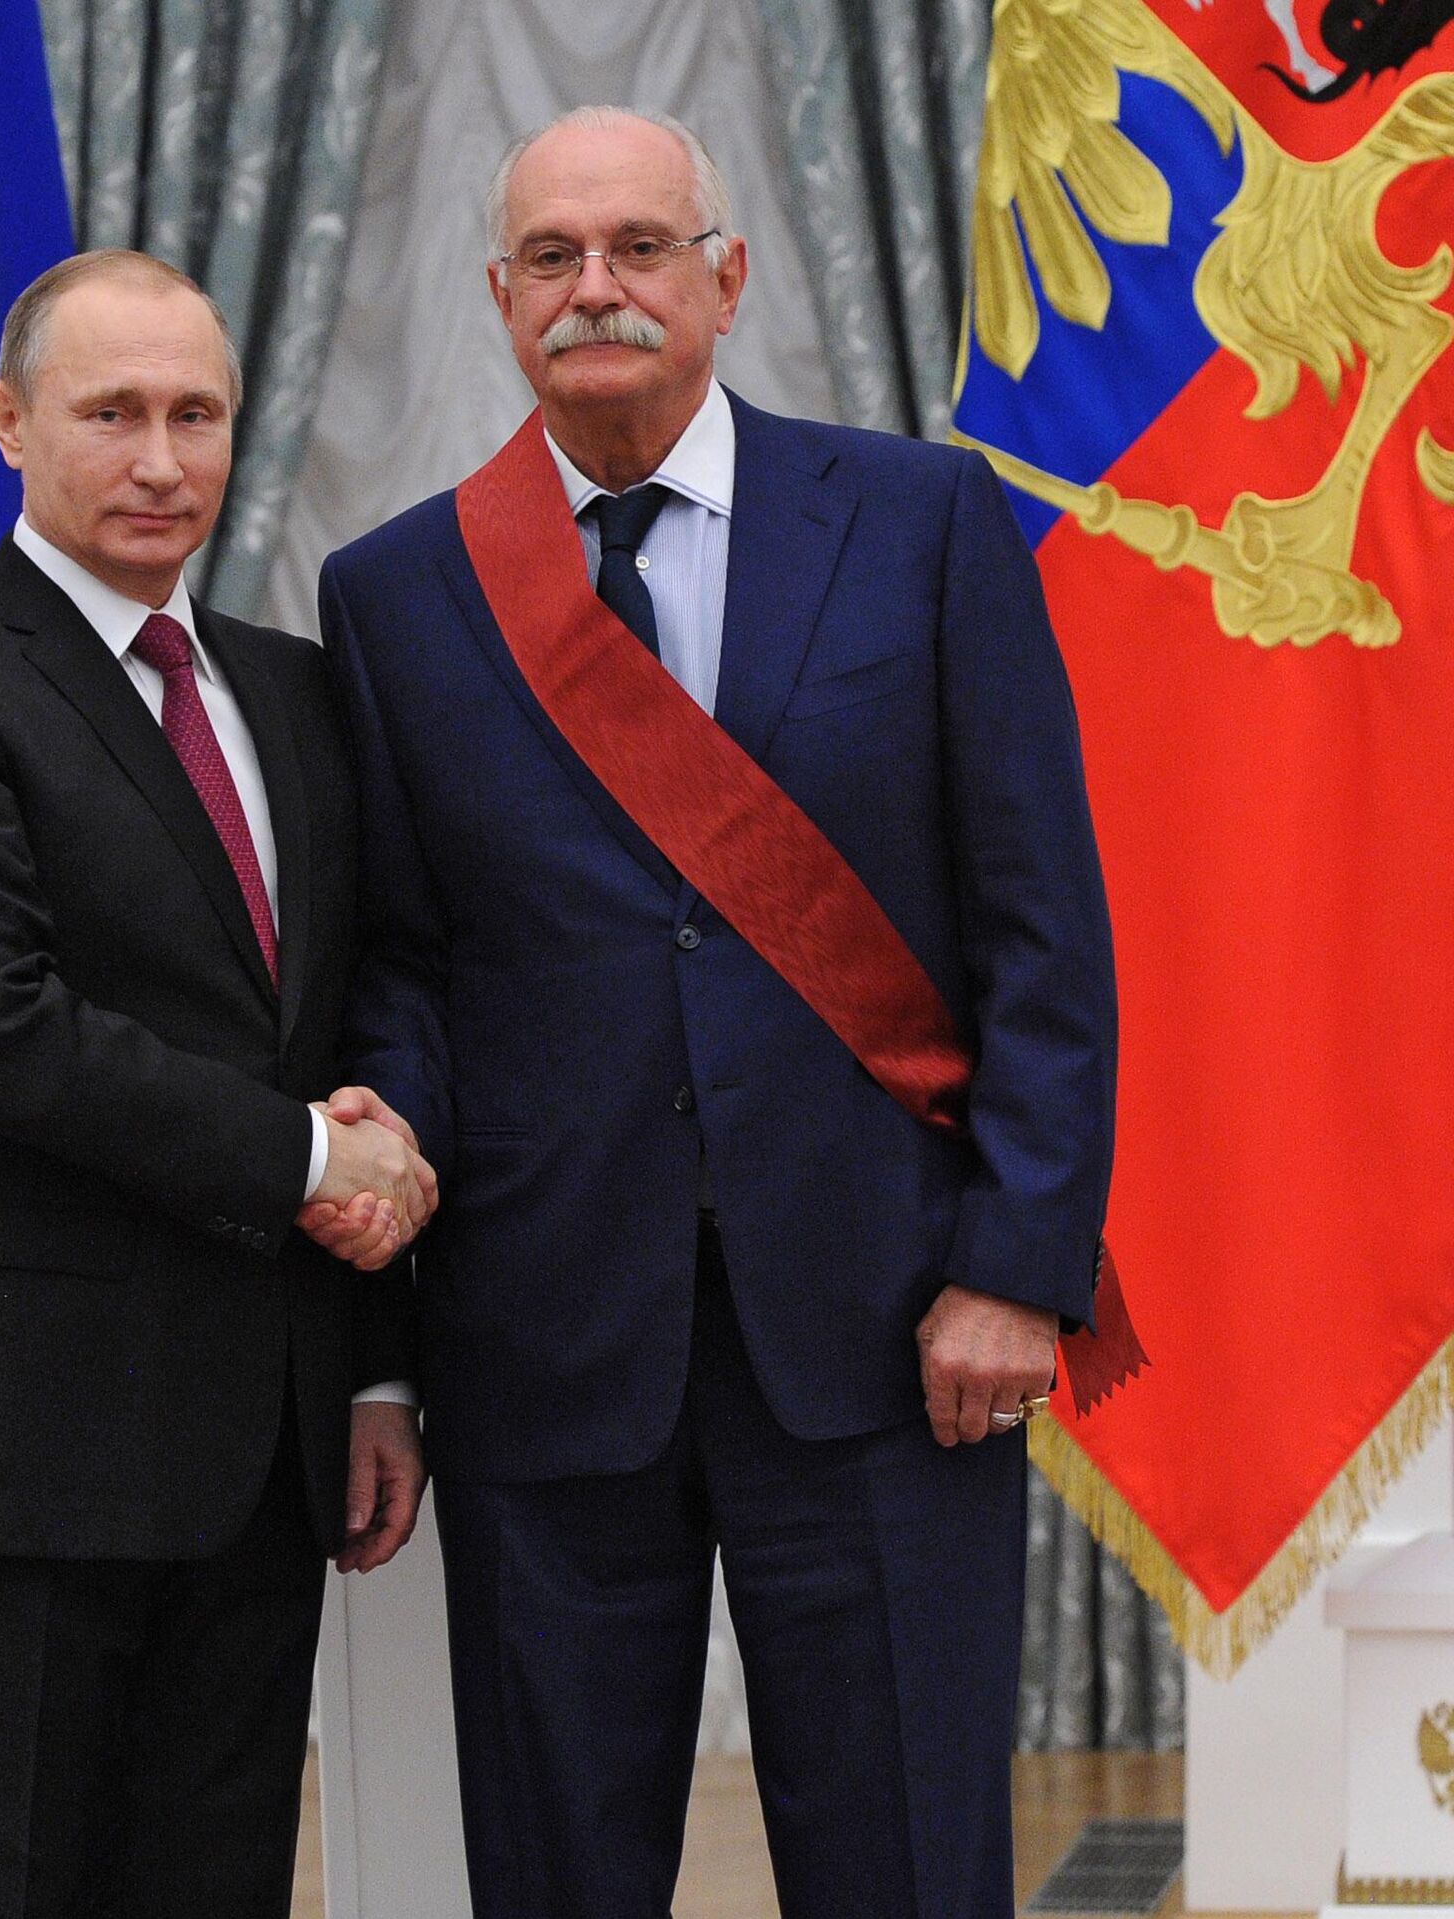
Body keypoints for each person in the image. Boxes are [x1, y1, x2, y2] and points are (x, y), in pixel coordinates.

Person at [309, 109, 1117, 1919]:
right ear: (501, 297)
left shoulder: (922, 524)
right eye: (551, 256)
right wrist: (388, 1177)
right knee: (557, 1874)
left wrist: (1017, 1264)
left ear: (726, 279)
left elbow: (1041, 930)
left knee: (905, 1868)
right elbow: (407, 966)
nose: (595, 288)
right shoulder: (398, 594)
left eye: (641, 247)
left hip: (892, 1325)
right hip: (544, 1336)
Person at [0, 248, 432, 1919]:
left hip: (268, 1458)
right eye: (111, 416)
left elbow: (346, 1024)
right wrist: (307, 1160)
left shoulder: (297, 693)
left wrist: (376, 1370)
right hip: (29, 1450)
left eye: (196, 415)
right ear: (9, 423)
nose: (162, 461)